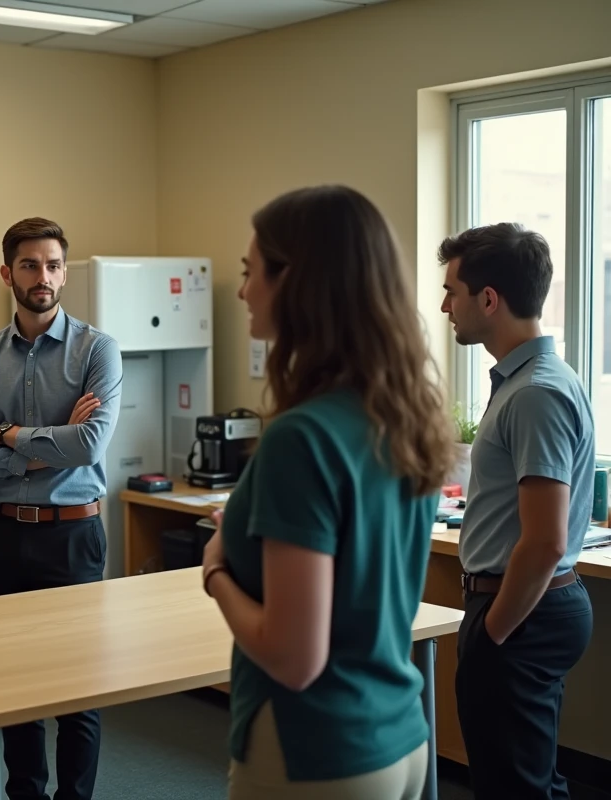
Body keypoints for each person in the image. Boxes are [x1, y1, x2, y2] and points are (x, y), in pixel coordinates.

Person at [200, 185, 455, 800]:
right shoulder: (405, 415)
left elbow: (293, 658)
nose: (241, 291)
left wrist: (214, 572)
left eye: (249, 271)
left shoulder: (301, 436)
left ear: (295, 282)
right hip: (399, 734)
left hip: (316, 747)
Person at [0, 217, 122, 800]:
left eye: (51, 265)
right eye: (29, 265)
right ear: (7, 273)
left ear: (64, 272)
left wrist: (7, 434)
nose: (41, 276)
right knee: (12, 687)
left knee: (78, 690)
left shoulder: (99, 350)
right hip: (0, 535)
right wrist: (47, 446)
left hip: (73, 537)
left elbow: (90, 444)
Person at [439, 222, 594, 799]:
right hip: (525, 605)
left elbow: (546, 540)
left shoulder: (535, 393)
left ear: (488, 299)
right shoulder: (525, 382)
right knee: (523, 780)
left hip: (522, 611)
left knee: (516, 789)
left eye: (452, 291)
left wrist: (496, 629)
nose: (445, 305)